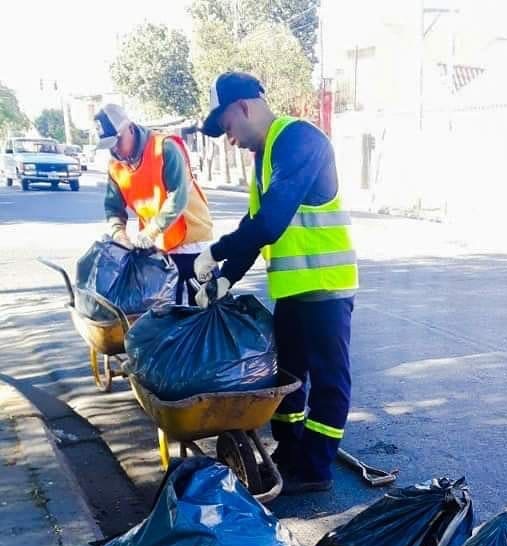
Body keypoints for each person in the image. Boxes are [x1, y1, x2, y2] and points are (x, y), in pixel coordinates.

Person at [195, 72, 358, 495]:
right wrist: (225, 278)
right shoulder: (265, 157)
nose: (230, 140)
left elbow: (269, 224)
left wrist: (216, 251)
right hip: (292, 292)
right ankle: (290, 451)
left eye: (228, 127)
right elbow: (255, 224)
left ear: (243, 107)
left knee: (328, 380)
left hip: (326, 287)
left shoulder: (300, 140)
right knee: (286, 376)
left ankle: (316, 468)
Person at [94, 104, 214, 304]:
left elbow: (178, 197)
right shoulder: (115, 166)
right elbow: (113, 207)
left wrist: (151, 231)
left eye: (117, 142)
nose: (114, 150)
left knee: (204, 309)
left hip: (192, 243)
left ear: (130, 128)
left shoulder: (164, 148)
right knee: (166, 312)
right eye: (109, 146)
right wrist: (119, 234)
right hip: (158, 248)